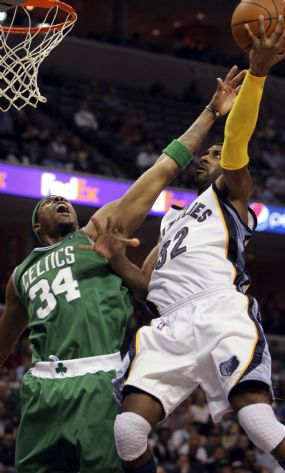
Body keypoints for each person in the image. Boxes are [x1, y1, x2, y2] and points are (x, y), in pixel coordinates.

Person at [0, 66, 244, 473]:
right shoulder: (19, 276)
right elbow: (4, 341)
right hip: (41, 388)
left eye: (65, 199)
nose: (60, 200)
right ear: (36, 226)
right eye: (49, 201)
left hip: (97, 377)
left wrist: (211, 112)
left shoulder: (98, 232)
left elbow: (162, 169)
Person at [84, 16, 285, 473]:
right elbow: (144, 283)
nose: (209, 155)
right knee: (127, 432)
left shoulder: (233, 193)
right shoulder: (173, 221)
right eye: (207, 153)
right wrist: (115, 255)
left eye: (215, 153)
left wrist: (256, 75)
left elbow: (237, 142)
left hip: (221, 311)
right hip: (168, 324)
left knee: (259, 423)